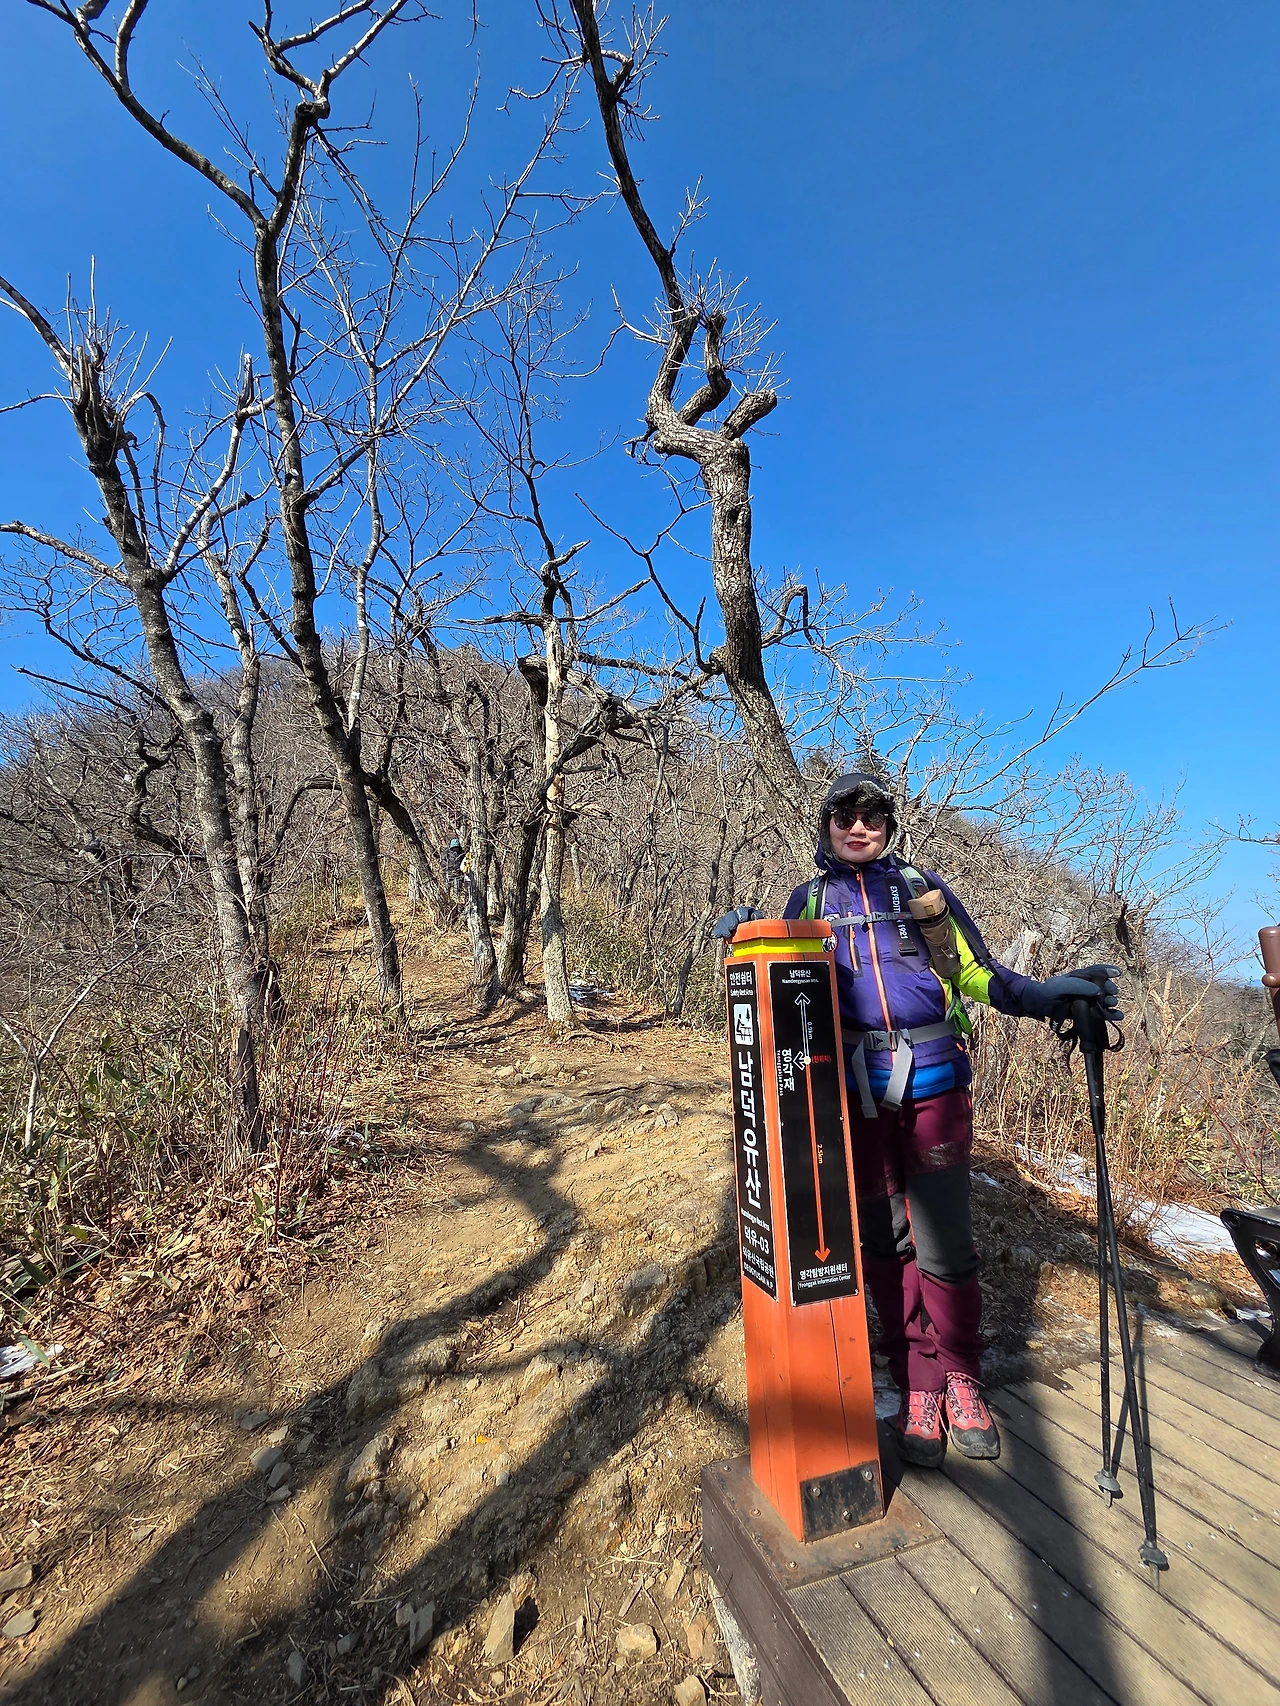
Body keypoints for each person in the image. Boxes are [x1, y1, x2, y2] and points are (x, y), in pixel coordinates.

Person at [717, 772, 1120, 1467]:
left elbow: (974, 972)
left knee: (945, 1244)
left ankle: (962, 1377)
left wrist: (1041, 996)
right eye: (846, 815)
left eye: (873, 816)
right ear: (827, 825)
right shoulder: (808, 902)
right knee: (885, 1242)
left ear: (888, 826)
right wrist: (749, 942)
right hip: (854, 1096)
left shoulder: (921, 890)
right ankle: (918, 1385)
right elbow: (787, 987)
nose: (859, 827)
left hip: (935, 1086)